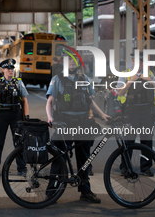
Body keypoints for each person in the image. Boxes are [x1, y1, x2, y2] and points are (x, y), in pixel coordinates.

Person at [46, 51, 109, 203]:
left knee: (84, 158)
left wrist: (102, 115)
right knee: (58, 157)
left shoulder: (84, 79)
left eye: (74, 61)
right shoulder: (57, 79)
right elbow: (50, 101)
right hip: (64, 121)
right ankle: (52, 191)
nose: (72, 63)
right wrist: (50, 117)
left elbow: (89, 101)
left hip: (82, 121)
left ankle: (85, 192)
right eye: (69, 61)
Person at [116, 50, 155, 177]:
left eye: (141, 61)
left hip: (146, 110)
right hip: (131, 111)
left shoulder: (150, 73)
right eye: (135, 60)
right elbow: (119, 92)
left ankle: (145, 168)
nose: (138, 63)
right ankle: (125, 167)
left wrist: (150, 80)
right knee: (128, 141)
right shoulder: (125, 74)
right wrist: (131, 80)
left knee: (146, 141)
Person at [0, 59, 29, 177]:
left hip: (16, 115)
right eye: (8, 68)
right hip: (1, 115)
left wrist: (27, 116)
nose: (11, 70)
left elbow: (25, 101)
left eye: (12, 68)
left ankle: (22, 168)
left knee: (19, 142)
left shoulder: (18, 83)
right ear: (3, 70)